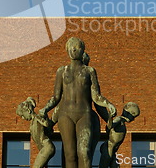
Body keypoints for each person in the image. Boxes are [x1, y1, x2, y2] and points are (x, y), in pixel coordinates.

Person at [40, 37, 116, 168]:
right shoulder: (61, 71)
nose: (74, 49)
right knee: (70, 154)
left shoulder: (89, 71)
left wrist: (108, 104)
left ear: (82, 51)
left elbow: (96, 96)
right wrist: (45, 109)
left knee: (84, 152)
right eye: (71, 47)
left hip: (84, 115)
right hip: (65, 115)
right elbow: (56, 97)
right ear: (67, 50)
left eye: (77, 47)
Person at [16, 97, 55, 168]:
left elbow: (46, 124)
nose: (22, 118)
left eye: (22, 115)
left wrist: (44, 114)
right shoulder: (32, 125)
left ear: (28, 110)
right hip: (42, 149)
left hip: (47, 146)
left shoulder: (38, 117)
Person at [99, 102, 140, 168]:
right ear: (127, 113)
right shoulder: (119, 119)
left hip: (113, 151)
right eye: (133, 115)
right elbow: (109, 126)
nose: (133, 119)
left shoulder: (122, 122)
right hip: (109, 148)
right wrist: (110, 117)